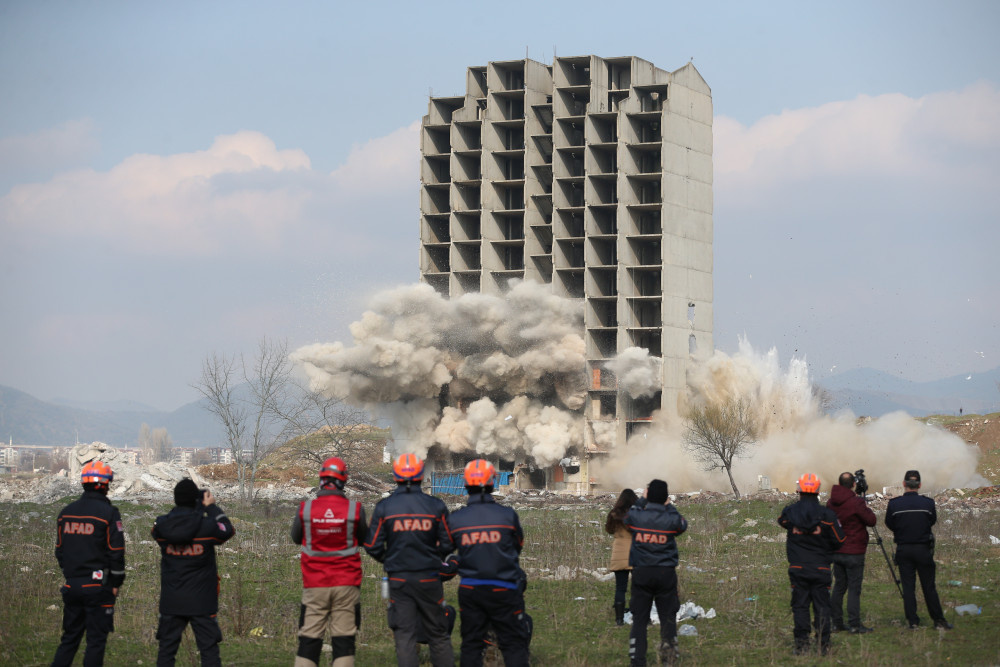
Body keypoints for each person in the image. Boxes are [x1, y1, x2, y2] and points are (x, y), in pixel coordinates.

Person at [364, 453, 454, 667]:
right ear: (421, 477)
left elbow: (372, 545)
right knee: (438, 635)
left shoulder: (384, 507)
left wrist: (391, 560)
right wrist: (434, 557)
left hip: (400, 579)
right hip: (430, 578)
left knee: (404, 636)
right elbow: (449, 543)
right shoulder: (436, 506)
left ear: (395, 477)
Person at [446, 459, 531, 667]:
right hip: (506, 588)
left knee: (471, 645)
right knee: (513, 644)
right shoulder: (507, 516)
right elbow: (517, 546)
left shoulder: (457, 519)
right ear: (493, 483)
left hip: (471, 589)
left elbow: (444, 549)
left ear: (466, 484)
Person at [291, 457, 368, 667]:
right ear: (344, 481)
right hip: (346, 584)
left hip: (314, 584)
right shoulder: (355, 510)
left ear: (321, 479)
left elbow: (297, 537)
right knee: (343, 642)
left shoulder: (305, 509)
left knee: (309, 640)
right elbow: (363, 538)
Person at [151, 478, 235, 666]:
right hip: (202, 601)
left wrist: (184, 511)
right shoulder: (206, 527)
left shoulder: (163, 527)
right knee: (209, 651)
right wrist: (210, 508)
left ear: (175, 499)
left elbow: (155, 530)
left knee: (166, 651)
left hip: (172, 600)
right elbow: (227, 530)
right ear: (196, 500)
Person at [51, 460, 126, 667]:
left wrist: (71, 574)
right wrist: (115, 583)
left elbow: (59, 551)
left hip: (72, 585)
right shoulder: (109, 514)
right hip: (98, 587)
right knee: (95, 641)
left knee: (69, 640)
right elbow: (117, 552)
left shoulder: (65, 513)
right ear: (105, 485)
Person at [778, 473, 846, 656]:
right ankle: (823, 646)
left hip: (798, 567)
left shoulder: (790, 513)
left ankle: (801, 646)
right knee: (822, 607)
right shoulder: (827, 515)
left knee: (800, 607)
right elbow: (840, 539)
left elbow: (781, 521)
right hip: (821, 568)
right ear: (817, 490)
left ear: (798, 489)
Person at [624, 479, 687, 667]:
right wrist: (669, 506)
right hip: (665, 574)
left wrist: (642, 500)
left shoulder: (637, 517)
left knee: (640, 621)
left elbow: (627, 518)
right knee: (668, 618)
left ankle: (637, 660)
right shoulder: (670, 518)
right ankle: (669, 659)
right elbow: (681, 525)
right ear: (666, 497)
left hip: (641, 573)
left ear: (648, 495)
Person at [884, 470, 952, 630]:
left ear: (903, 484)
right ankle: (938, 621)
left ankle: (913, 622)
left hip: (904, 549)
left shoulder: (894, 504)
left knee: (908, 588)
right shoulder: (928, 503)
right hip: (923, 550)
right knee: (929, 586)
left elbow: (889, 523)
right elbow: (932, 520)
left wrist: (901, 531)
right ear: (920, 485)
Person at [826, 472, 877, 633]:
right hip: (854, 552)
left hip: (837, 550)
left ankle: (836, 623)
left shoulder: (830, 503)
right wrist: (863, 503)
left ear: (839, 484)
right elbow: (871, 520)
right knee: (854, 588)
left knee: (839, 586)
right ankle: (854, 624)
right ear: (853, 485)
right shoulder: (856, 503)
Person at [605, 488, 638, 626]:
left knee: (620, 588)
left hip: (619, 553)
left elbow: (609, 530)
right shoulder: (638, 514)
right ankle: (639, 616)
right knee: (638, 588)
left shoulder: (614, 514)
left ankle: (619, 620)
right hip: (636, 553)